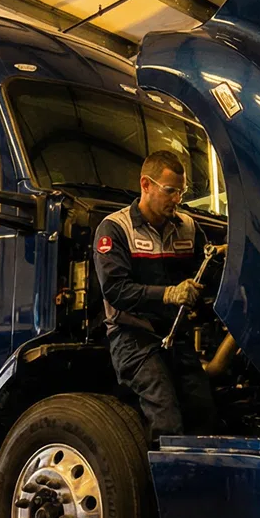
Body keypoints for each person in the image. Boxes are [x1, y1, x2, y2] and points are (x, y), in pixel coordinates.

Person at [93, 150, 218, 438]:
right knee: (166, 418)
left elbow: (209, 274)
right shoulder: (115, 228)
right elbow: (115, 290)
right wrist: (169, 294)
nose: (177, 199)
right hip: (132, 337)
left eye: (181, 192)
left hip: (175, 336)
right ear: (146, 185)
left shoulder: (189, 228)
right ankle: (157, 466)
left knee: (204, 414)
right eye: (170, 191)